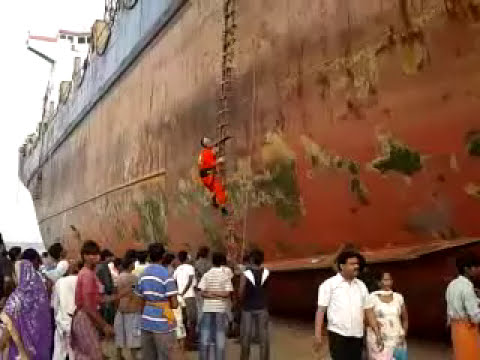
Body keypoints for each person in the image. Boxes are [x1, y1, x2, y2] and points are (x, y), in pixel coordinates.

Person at [314, 250, 383, 360]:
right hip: (338, 334)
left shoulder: (361, 286)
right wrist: (318, 335)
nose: (356, 267)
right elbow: (321, 310)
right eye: (352, 264)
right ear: (342, 266)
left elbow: (368, 310)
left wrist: (377, 333)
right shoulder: (329, 285)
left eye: (357, 264)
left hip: (357, 334)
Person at [71, 241, 116, 360]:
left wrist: (121, 294)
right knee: (94, 354)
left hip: (87, 316)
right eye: (91, 254)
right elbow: (88, 305)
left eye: (96, 254)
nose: (95, 257)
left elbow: (97, 299)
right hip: (86, 317)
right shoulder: (87, 275)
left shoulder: (88, 273)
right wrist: (104, 325)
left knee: (89, 353)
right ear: (84, 256)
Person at [135, 243, 179, 360]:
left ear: (149, 256)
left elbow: (140, 300)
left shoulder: (143, 275)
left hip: (146, 321)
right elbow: (174, 304)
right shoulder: (166, 275)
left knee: (148, 356)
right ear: (163, 256)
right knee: (165, 355)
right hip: (163, 322)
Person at [0, 260, 52, 359]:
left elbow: (8, 326)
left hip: (19, 351)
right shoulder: (41, 297)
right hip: (39, 349)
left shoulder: (16, 298)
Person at [198, 252, 234, 360]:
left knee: (205, 337)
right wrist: (219, 295)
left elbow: (202, 293)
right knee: (220, 336)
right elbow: (227, 294)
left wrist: (211, 293)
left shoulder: (207, 274)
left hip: (207, 308)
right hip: (220, 309)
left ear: (212, 261)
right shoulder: (225, 276)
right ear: (222, 262)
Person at [366, 272, 409, 360]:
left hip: (397, 339)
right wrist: (378, 336)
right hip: (379, 339)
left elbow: (405, 319)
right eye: (385, 280)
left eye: (390, 280)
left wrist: (403, 333)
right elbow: (370, 319)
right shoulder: (372, 297)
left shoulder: (398, 297)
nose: (388, 282)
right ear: (378, 282)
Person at [446, 252, 480, 359]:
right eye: (476, 267)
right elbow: (475, 317)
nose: (479, 270)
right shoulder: (467, 287)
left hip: (455, 330)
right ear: (466, 269)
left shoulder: (452, 284)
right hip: (467, 330)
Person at [238, 249, 270, 360]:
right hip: (262, 306)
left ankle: (244, 358)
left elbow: (241, 290)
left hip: (248, 307)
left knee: (246, 335)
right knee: (263, 336)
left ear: (251, 259)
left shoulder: (246, 273)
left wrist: (240, 301)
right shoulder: (266, 272)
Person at [114, 257, 143, 360]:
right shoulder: (134, 278)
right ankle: (134, 357)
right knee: (133, 337)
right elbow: (137, 294)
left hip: (121, 308)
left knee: (120, 335)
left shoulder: (119, 277)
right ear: (130, 264)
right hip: (132, 309)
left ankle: (119, 355)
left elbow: (116, 293)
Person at [52, 261, 80, 360]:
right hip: (78, 321)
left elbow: (55, 304)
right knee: (76, 351)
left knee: (59, 351)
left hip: (62, 320)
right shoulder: (80, 280)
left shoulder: (59, 282)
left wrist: (56, 318)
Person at [198, 137, 228, 215]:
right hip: (208, 176)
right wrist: (220, 160)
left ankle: (214, 200)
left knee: (216, 190)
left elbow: (214, 153)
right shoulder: (206, 153)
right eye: (208, 141)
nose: (210, 141)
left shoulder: (206, 152)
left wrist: (216, 151)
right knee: (219, 188)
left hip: (206, 176)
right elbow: (211, 163)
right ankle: (223, 209)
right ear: (205, 144)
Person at [174, 250, 198, 349]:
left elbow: (174, 281)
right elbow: (191, 279)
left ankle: (185, 341)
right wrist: (184, 291)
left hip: (180, 296)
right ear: (187, 258)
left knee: (183, 319)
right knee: (192, 319)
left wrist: (179, 292)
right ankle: (190, 341)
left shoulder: (177, 269)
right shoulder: (190, 267)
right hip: (189, 295)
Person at [97, 249, 116, 325]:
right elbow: (107, 282)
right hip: (106, 295)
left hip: (99, 294)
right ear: (106, 257)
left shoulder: (97, 266)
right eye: (110, 257)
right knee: (108, 316)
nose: (112, 259)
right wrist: (111, 291)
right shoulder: (104, 266)